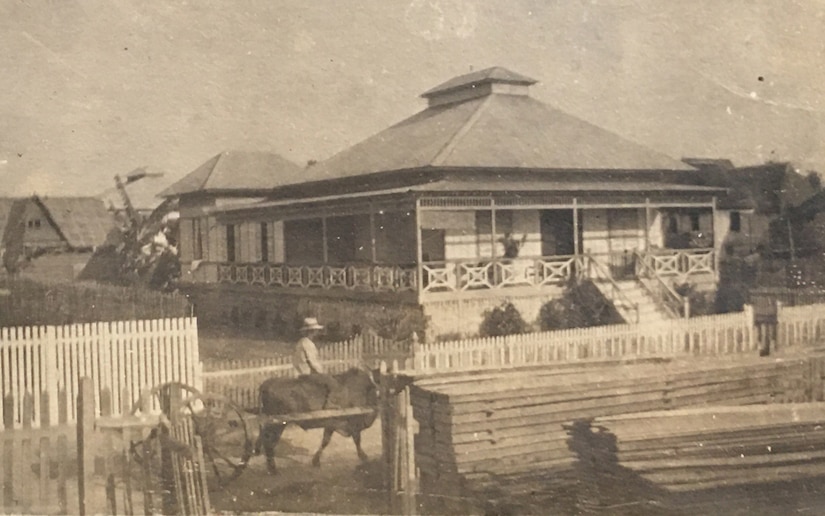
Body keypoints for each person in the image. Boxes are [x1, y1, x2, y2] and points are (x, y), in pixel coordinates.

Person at [292, 317, 343, 408]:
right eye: (315, 331)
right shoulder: (308, 344)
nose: (317, 333)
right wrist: (323, 373)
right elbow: (313, 363)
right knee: (332, 382)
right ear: (311, 332)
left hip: (299, 372)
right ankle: (329, 404)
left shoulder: (301, 342)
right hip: (306, 374)